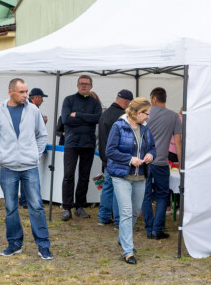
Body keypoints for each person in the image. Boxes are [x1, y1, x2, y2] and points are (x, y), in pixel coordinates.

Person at [0, 78, 53, 260]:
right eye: (22, 92)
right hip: (8, 168)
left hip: (29, 167)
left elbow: (42, 135)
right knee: (11, 207)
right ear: (10, 92)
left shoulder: (33, 111)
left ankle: (43, 245)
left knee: (36, 206)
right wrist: (0, 157)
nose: (25, 95)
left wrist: (34, 155)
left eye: (26, 92)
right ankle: (14, 243)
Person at [106, 97, 156, 264]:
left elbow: (153, 148)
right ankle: (128, 251)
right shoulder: (118, 126)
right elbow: (110, 151)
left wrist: (150, 155)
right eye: (146, 114)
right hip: (122, 176)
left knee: (135, 212)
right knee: (126, 212)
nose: (148, 117)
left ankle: (123, 237)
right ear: (136, 113)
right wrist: (129, 159)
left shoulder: (145, 128)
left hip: (141, 176)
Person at [60, 75, 102, 221]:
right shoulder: (69, 100)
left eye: (87, 84)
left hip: (88, 144)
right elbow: (65, 119)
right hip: (71, 143)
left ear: (91, 86)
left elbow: (98, 119)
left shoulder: (95, 103)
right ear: (77, 85)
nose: (84, 86)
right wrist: (87, 119)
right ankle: (67, 207)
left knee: (84, 177)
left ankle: (79, 206)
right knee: (68, 175)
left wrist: (77, 115)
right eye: (81, 83)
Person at [141, 87, 182, 240]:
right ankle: (157, 230)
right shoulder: (174, 116)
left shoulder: (146, 113)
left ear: (154, 99)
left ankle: (149, 227)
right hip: (162, 162)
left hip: (144, 160)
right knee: (162, 196)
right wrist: (180, 164)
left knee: (145, 195)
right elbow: (178, 142)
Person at [97, 89, 133, 227]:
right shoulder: (122, 116)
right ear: (126, 101)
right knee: (120, 189)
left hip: (106, 157)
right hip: (118, 157)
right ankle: (119, 220)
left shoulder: (105, 113)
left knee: (108, 187)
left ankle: (103, 217)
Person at [18, 87, 49, 209]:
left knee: (23, 173)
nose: (42, 101)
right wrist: (44, 121)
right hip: (30, 147)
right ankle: (26, 201)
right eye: (41, 98)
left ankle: (24, 200)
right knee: (28, 175)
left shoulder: (23, 107)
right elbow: (36, 130)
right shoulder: (33, 109)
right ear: (36, 97)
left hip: (23, 146)